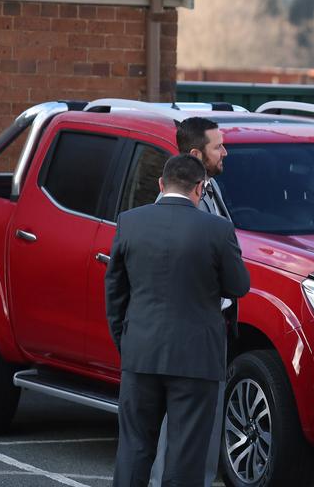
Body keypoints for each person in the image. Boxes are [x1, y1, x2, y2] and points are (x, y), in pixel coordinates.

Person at [105, 154, 250, 486]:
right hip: (196, 359)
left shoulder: (130, 221)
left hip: (141, 352)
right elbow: (239, 285)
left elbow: (115, 290)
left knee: (134, 449)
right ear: (200, 188)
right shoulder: (218, 229)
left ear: (160, 184)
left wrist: (125, 341)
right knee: (186, 455)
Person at [150, 117, 234, 487]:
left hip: (211, 328)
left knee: (205, 422)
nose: (225, 151)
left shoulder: (211, 190)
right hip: (186, 333)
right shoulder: (170, 208)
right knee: (177, 425)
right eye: (218, 146)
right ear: (197, 153)